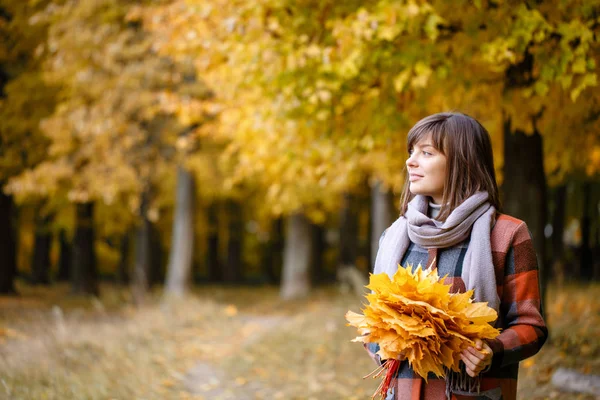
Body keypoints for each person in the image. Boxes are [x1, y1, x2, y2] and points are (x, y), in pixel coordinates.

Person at [365, 112, 548, 400]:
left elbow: (532, 328)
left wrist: (493, 350)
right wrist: (384, 345)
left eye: (426, 153)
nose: (410, 161)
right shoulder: (394, 237)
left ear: (462, 161)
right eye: (411, 152)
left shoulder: (507, 235)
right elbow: (372, 327)